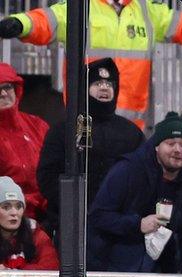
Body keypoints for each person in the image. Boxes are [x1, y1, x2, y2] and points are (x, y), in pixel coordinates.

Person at [0, 0, 182, 127]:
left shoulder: (147, 11)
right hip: (86, 126)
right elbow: (45, 21)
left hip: (130, 128)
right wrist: (20, 23)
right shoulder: (80, 6)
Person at [36, 58, 145, 238]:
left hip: (119, 227)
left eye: (109, 84)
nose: (104, 87)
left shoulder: (131, 132)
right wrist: (72, 205)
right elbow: (47, 176)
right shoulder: (64, 130)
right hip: (72, 224)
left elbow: (142, 176)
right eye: (97, 83)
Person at [87, 112, 182, 273]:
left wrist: (173, 271)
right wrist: (137, 224)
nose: (177, 150)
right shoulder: (127, 170)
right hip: (111, 271)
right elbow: (98, 216)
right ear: (156, 146)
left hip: (159, 275)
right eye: (170, 143)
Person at [0, 63, 48, 224]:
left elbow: (55, 169)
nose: (3, 93)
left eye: (7, 87)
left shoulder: (37, 125)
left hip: (44, 215)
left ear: (16, 89)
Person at [0, 177, 58, 271]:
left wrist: (13, 273)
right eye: (6, 207)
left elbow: (51, 268)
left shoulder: (36, 235)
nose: (14, 213)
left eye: (19, 206)